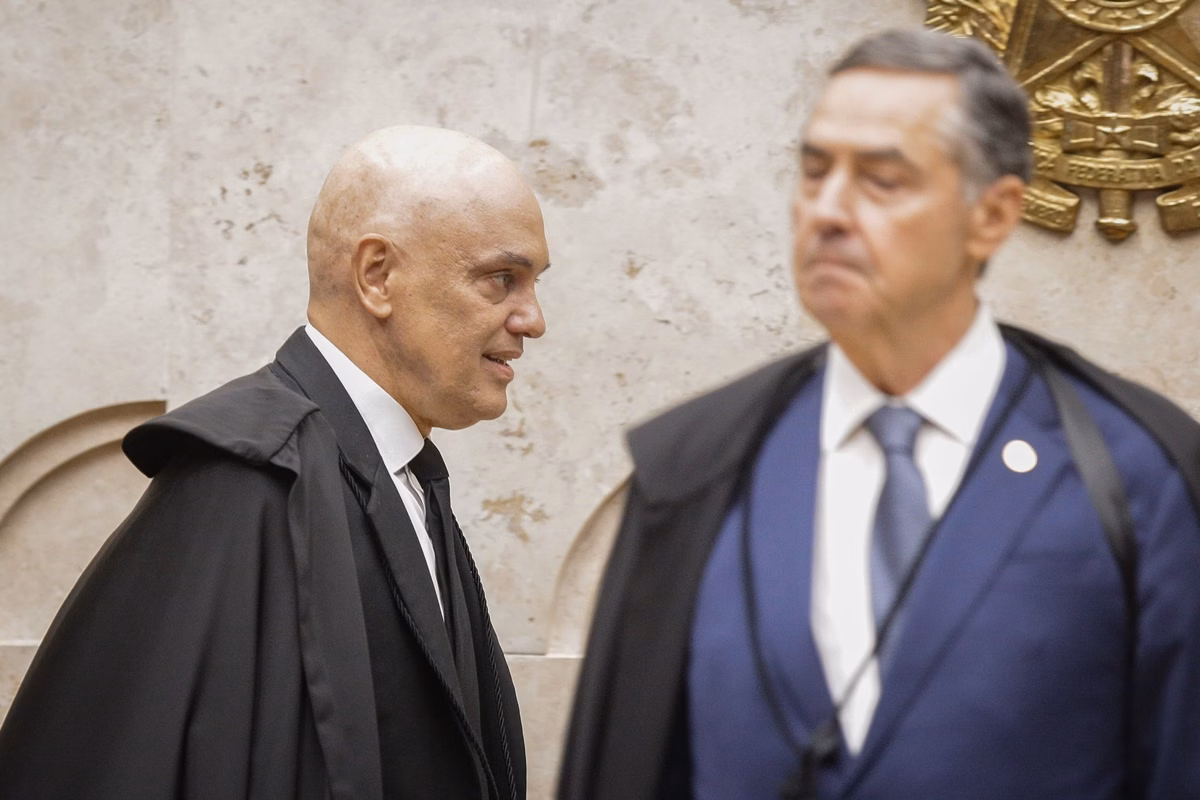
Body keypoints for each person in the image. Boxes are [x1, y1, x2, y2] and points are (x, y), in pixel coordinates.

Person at [558, 28, 1200, 800]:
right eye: (814, 172)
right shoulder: (693, 471)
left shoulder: (1137, 477)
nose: (828, 211)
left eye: (882, 180)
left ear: (992, 215)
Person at [0, 125, 550, 799]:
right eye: (501, 279)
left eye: (533, 284)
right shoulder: (244, 482)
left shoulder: (406, 475)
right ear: (378, 276)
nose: (533, 319)